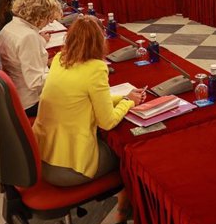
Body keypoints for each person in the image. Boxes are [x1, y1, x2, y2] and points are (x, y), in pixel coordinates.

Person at [33, 15, 144, 187]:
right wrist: (129, 103)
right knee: (128, 155)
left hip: (41, 156)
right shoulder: (96, 69)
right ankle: (125, 208)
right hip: (71, 167)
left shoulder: (59, 59)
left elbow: (84, 100)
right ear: (100, 41)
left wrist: (124, 97)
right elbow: (107, 122)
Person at [0, 0, 62, 117]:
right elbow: (36, 82)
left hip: (16, 96)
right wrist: (65, 73)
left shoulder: (9, 27)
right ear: (39, 14)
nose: (48, 24)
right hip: (31, 102)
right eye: (49, 19)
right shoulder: (28, 37)